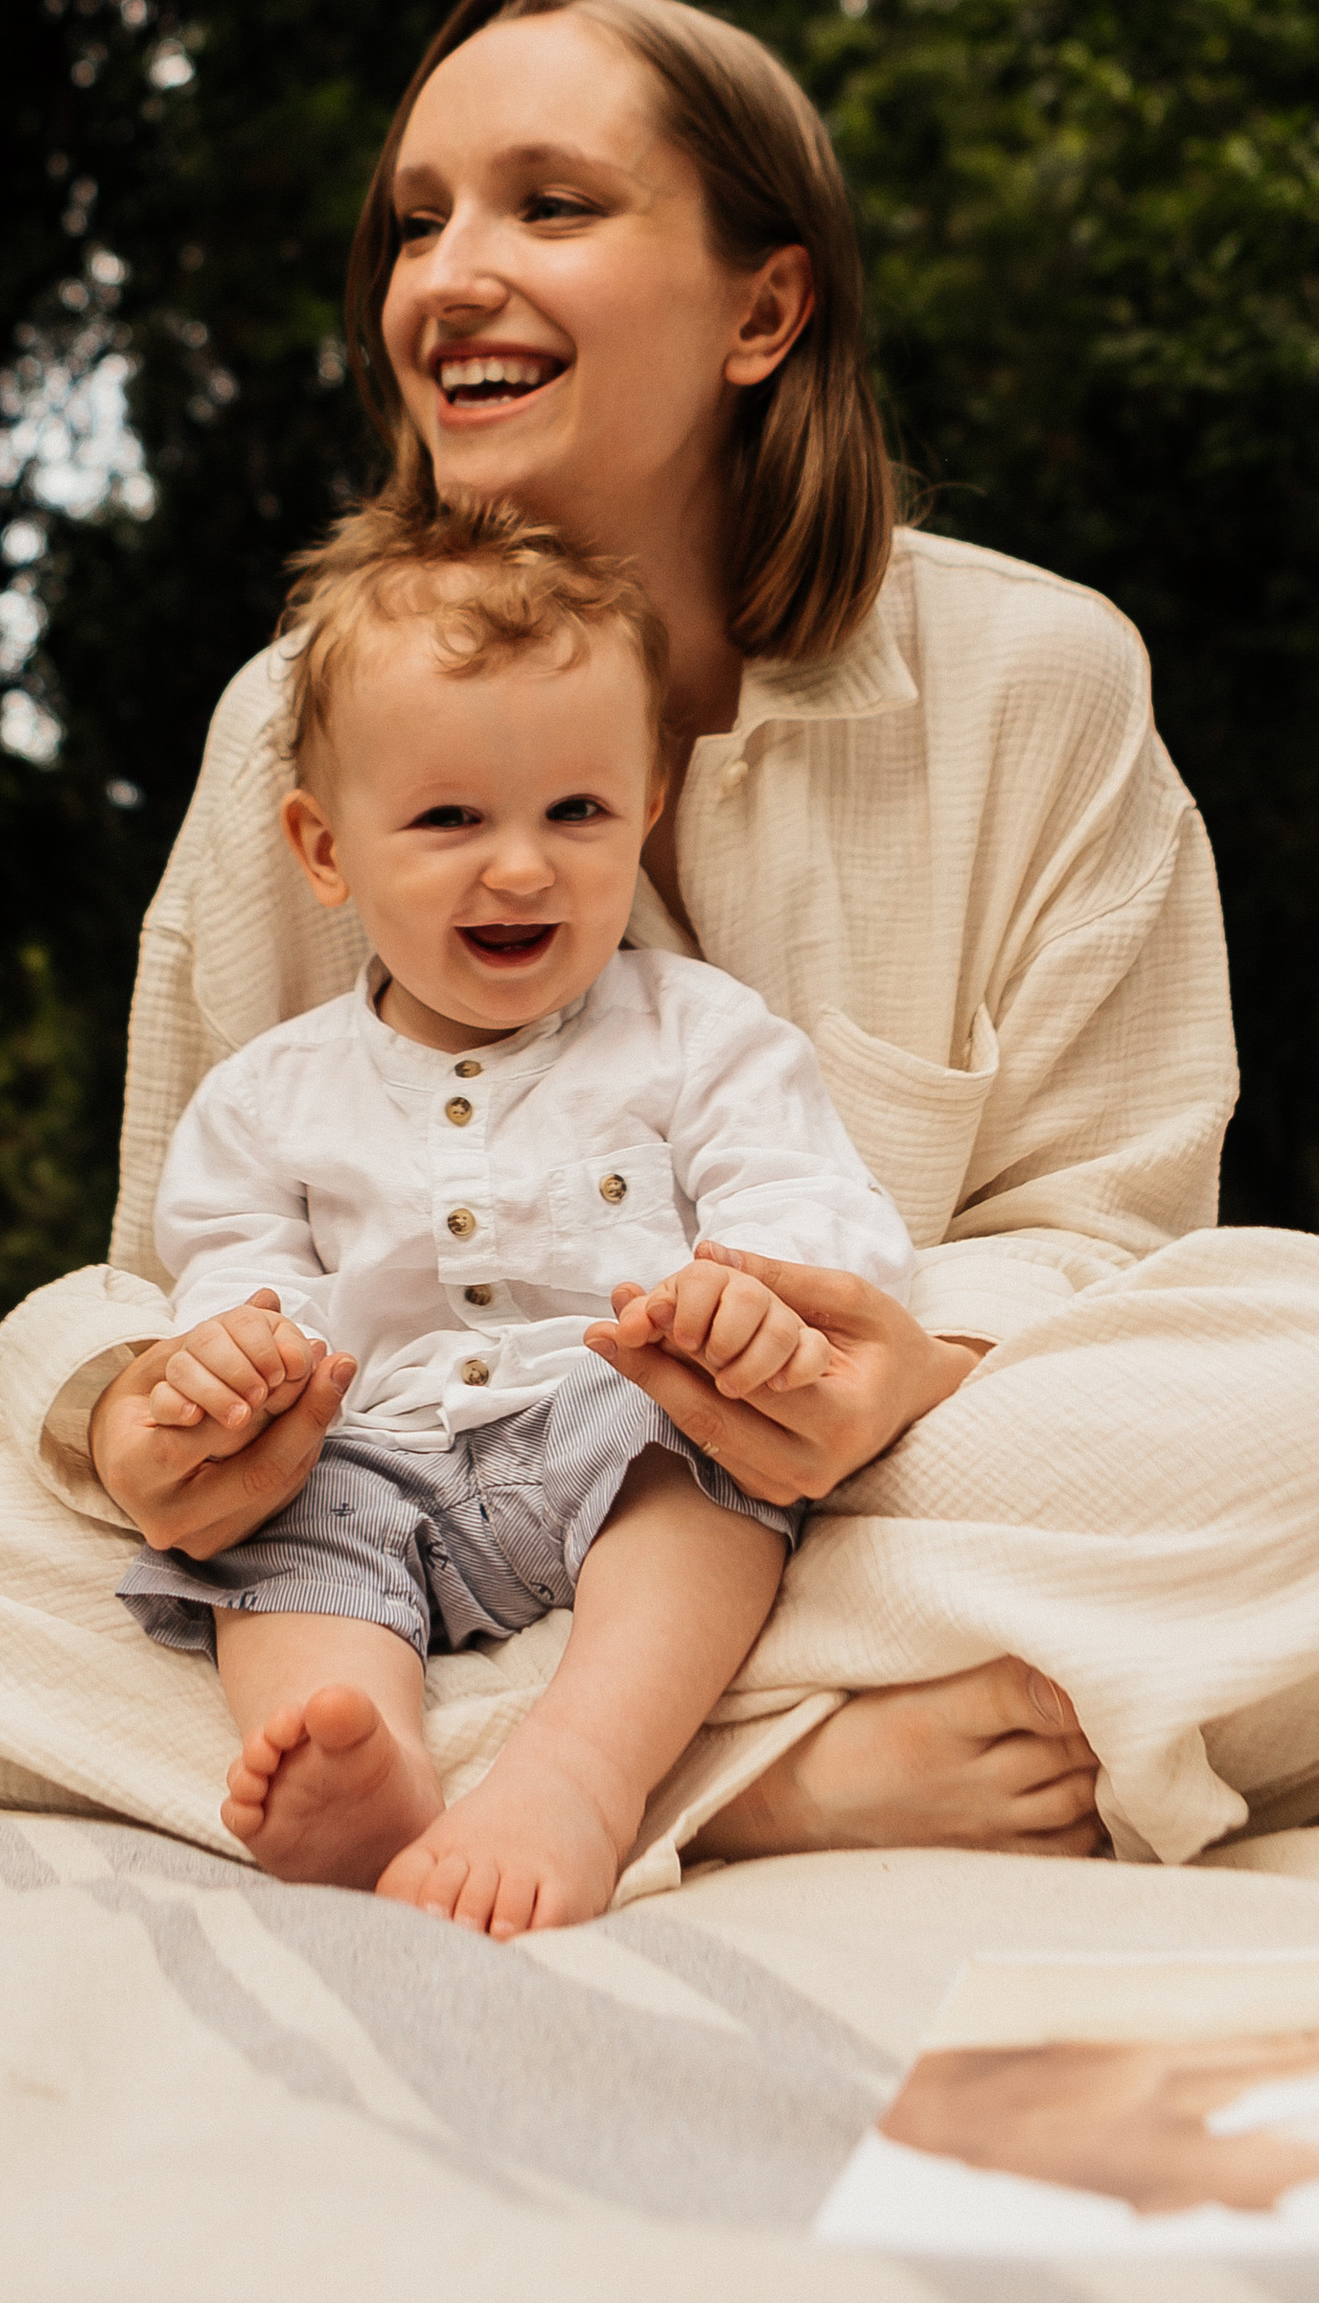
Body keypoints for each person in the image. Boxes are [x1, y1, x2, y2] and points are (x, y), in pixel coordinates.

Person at [0, 0, 1319, 1885]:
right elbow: (167, 1267)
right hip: (344, 1550)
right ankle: (734, 1773)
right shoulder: (283, 731)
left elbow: (1107, 1236)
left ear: (764, 308)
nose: (443, 279)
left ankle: (500, 1751)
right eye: (415, 223)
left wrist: (892, 1360)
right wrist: (130, 1418)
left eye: (547, 206)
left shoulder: (1034, 678)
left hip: (814, 1500)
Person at [126, 494, 913, 1937]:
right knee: (269, 1539)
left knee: (704, 1462)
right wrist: (237, 1367)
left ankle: (578, 1773)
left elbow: (804, 1197)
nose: (521, 866)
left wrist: (762, 1301)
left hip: (606, 1420)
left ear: (647, 807)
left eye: (577, 812)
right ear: (324, 848)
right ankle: (358, 1760)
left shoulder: (698, 1034)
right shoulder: (265, 1096)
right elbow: (233, 1276)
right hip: (375, 1449)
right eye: (446, 819)